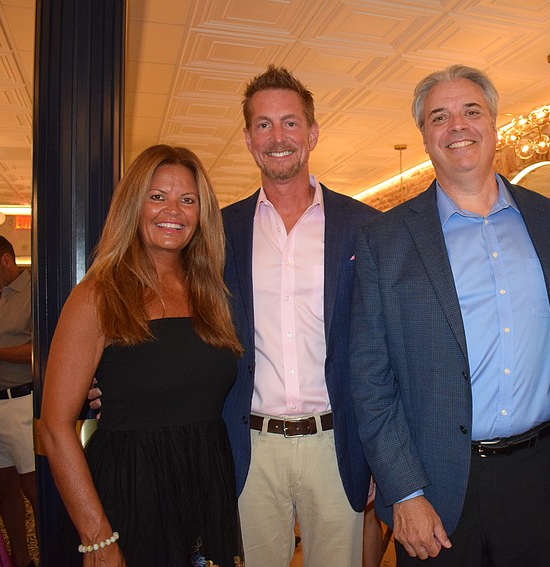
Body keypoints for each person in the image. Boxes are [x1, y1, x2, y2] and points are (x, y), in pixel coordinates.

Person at [349, 64, 550, 566]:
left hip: (542, 474)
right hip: (435, 486)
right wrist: (405, 492)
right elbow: (371, 382)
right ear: (424, 137)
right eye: (439, 117)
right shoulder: (385, 240)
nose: (457, 126)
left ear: (494, 122)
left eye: (471, 111)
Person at [39, 145, 245, 566]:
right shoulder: (98, 295)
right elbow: (55, 427)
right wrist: (97, 537)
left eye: (188, 200)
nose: (174, 210)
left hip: (203, 488)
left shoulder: (212, 295)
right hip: (128, 496)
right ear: (133, 204)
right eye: (157, 196)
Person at [220, 65, 378, 567]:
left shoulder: (366, 228)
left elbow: (385, 348)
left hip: (338, 443)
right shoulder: (220, 232)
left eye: (290, 122)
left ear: (312, 132)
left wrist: (379, 453)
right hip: (250, 446)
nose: (278, 137)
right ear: (248, 139)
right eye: (263, 125)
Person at [0, 234, 36, 567]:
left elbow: (44, 351)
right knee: (4, 487)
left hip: (21, 402)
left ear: (6, 261)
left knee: (34, 489)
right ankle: (21, 556)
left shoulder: (34, 294)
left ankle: (54, 550)